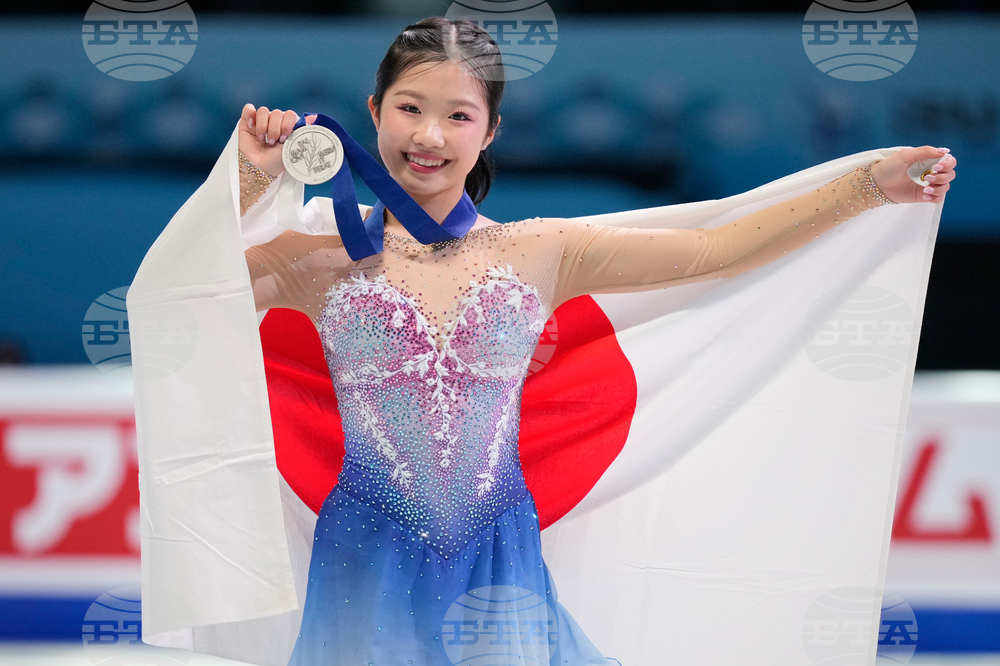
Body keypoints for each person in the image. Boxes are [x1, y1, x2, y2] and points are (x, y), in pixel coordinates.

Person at [228, 16, 956, 666]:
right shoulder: (315, 259)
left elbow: (717, 250)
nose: (430, 136)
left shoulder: (541, 250)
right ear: (373, 111)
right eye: (410, 108)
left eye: (458, 115)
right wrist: (248, 181)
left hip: (498, 564)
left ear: (490, 131)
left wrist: (868, 186)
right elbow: (190, 299)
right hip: (364, 561)